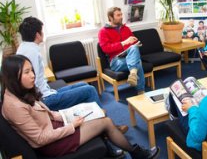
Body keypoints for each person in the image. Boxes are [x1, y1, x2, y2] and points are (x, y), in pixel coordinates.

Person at [1, 55, 160, 158]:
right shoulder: (14, 105)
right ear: (14, 76)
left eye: (32, 70)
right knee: (105, 122)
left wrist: (64, 115)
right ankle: (137, 153)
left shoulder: (17, 92)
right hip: (53, 144)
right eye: (27, 72)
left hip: (54, 127)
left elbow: (43, 113)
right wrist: (71, 125)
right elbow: (40, 139)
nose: (33, 75)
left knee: (98, 113)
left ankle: (113, 150)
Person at [17, 17, 129, 138]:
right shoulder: (32, 52)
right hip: (45, 99)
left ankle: (101, 123)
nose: (42, 34)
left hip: (47, 92)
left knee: (84, 85)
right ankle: (108, 128)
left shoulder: (23, 48)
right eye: (42, 31)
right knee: (90, 90)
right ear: (37, 34)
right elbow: (33, 83)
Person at [98, 7, 145, 94]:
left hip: (129, 56)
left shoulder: (126, 29)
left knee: (134, 48)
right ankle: (141, 91)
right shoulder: (103, 31)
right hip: (116, 61)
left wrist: (135, 43)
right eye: (118, 15)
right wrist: (123, 43)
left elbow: (132, 42)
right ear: (111, 17)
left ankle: (133, 74)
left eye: (121, 14)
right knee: (138, 62)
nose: (121, 17)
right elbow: (106, 49)